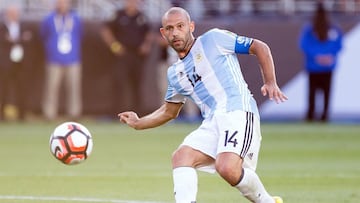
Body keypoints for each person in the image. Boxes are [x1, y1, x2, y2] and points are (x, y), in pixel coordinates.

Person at [119, 7, 287, 203]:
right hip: (212, 121)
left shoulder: (214, 39)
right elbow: (169, 111)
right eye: (170, 28)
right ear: (163, 34)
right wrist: (139, 123)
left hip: (238, 111)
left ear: (191, 26)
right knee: (181, 156)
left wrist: (270, 82)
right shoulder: (175, 73)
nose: (175, 33)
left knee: (227, 169)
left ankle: (266, 201)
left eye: (180, 26)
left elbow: (259, 47)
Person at [101, 0, 153, 116]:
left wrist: (146, 45)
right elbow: (106, 30)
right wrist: (114, 46)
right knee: (118, 83)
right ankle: (117, 113)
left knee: (137, 84)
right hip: (122, 55)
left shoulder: (142, 17)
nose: (132, 3)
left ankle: (138, 113)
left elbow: (148, 33)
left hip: (137, 55)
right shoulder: (118, 15)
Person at [299, 2, 343, 122]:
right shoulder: (312, 29)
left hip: (315, 65)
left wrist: (318, 57)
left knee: (313, 93)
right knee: (325, 92)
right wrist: (327, 56)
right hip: (323, 66)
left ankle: (312, 115)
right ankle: (323, 115)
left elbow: (304, 45)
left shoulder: (331, 29)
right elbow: (338, 45)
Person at [40, 0, 83, 121]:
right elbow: (43, 36)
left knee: (74, 87)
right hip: (54, 60)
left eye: (64, 2)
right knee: (51, 88)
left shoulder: (75, 19)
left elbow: (80, 35)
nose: (62, 5)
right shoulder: (49, 19)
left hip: (73, 59)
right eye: (60, 2)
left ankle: (74, 113)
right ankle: (49, 113)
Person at [0, 4, 33, 121]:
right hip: (6, 64)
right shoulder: (2, 27)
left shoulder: (24, 26)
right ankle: (2, 115)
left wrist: (16, 39)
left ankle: (22, 115)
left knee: (22, 88)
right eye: (11, 13)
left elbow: (29, 39)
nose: (14, 15)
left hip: (21, 64)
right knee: (3, 89)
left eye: (15, 13)